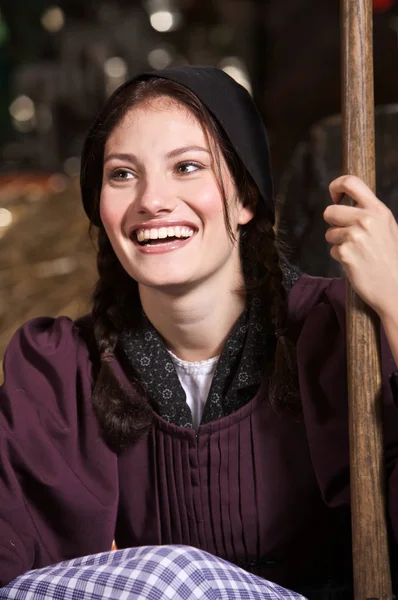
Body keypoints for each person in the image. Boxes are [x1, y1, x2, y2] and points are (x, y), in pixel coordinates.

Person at [0, 66, 398, 600]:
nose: (151, 200)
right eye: (122, 174)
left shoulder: (345, 336)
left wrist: (396, 305)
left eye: (187, 167)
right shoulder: (56, 372)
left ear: (245, 197)